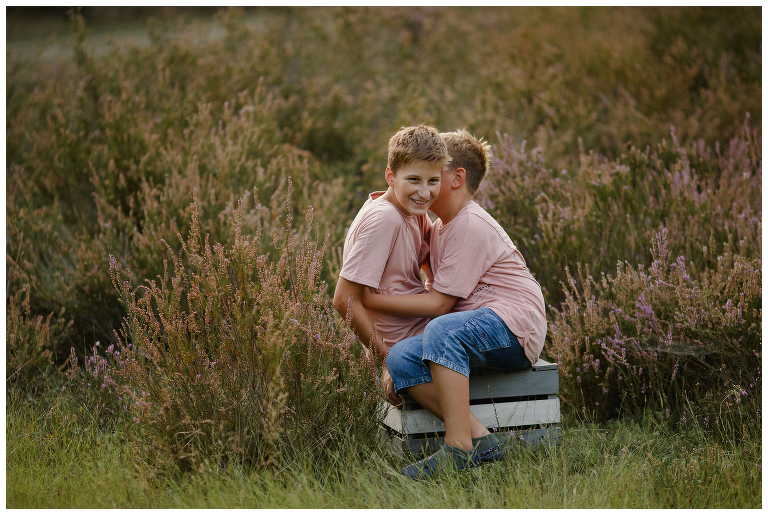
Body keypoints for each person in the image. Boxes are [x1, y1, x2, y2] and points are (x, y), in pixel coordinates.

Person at [361, 129, 548, 479]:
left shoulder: (469, 223)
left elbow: (438, 305)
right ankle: (484, 441)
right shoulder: (438, 227)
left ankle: (458, 446)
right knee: (400, 357)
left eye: (436, 173)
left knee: (441, 329)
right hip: (472, 329)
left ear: (457, 177)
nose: (426, 186)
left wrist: (370, 299)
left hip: (513, 325)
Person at [332, 124, 451, 405]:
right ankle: (476, 440)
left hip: (420, 330)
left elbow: (429, 265)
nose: (424, 192)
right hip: (405, 346)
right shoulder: (385, 219)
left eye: (433, 181)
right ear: (390, 176)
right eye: (413, 180)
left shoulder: (412, 211)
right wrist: (388, 361)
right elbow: (343, 300)